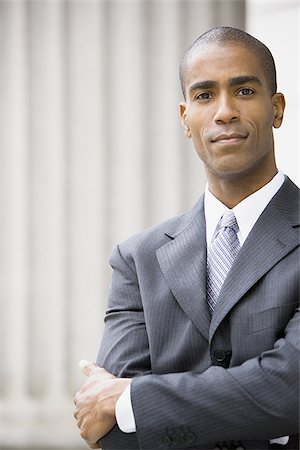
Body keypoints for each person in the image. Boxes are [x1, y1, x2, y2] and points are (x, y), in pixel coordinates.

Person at [73, 26, 299, 450]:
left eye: (245, 91)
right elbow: (114, 434)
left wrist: (132, 401)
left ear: (277, 108)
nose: (225, 111)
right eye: (204, 95)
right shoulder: (138, 258)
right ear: (184, 119)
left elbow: (291, 388)